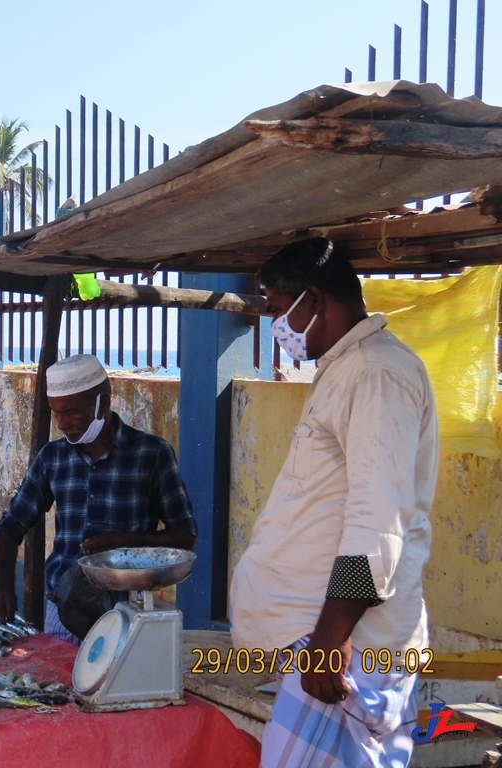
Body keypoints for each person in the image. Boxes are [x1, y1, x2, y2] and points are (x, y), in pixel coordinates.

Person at [229, 238, 438, 767]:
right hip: (326, 642)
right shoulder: (348, 368)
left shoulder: (375, 373)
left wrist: (330, 636)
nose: (276, 328)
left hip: (344, 648)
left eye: (278, 311)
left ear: (314, 299)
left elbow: (377, 523)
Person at [0, 353, 197, 644]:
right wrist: (2, 589)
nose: (61, 423)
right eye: (56, 412)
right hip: (62, 609)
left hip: (129, 609)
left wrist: (125, 542)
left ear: (104, 401)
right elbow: (10, 528)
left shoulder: (152, 454)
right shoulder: (52, 457)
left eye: (71, 411)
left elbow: (184, 535)